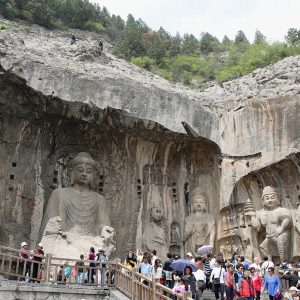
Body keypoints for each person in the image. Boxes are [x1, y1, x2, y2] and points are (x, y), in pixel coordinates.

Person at [184, 188, 216, 254]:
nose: (198, 204)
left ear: (205, 204)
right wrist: (190, 231)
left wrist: (211, 247)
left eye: (201, 202)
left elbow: (212, 232)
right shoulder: (188, 219)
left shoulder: (209, 218)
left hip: (205, 243)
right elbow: (184, 237)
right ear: (192, 204)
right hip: (192, 244)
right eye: (196, 202)